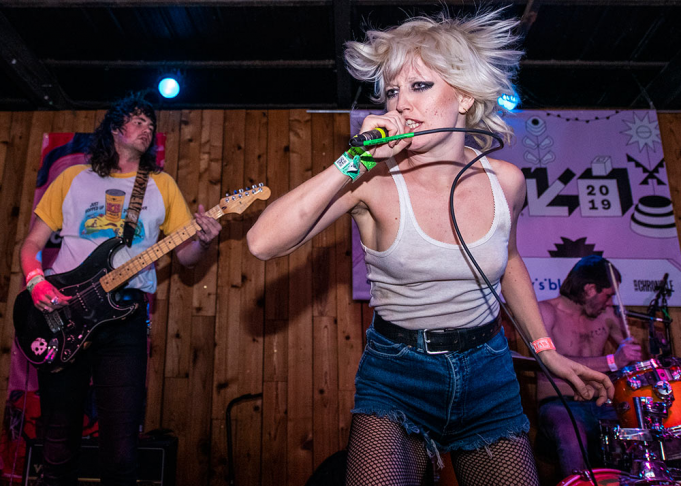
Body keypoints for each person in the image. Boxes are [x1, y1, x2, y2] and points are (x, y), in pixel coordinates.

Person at [247, 9, 613, 486]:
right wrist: (354, 158)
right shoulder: (373, 182)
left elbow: (510, 263)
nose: (402, 105)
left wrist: (545, 351)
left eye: (419, 87)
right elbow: (261, 242)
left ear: (462, 96)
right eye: (393, 91)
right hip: (397, 374)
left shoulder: (506, 182)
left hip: (488, 373)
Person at [19, 93, 221, 486]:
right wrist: (35, 280)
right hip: (63, 313)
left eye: (151, 124)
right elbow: (31, 245)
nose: (147, 128)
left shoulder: (161, 185)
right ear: (115, 129)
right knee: (57, 445)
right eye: (138, 120)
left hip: (124, 319)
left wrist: (205, 240)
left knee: (122, 449)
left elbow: (185, 257)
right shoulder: (72, 179)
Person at [537, 255, 642, 478]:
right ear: (590, 289)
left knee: (636, 430)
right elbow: (548, 364)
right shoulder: (546, 312)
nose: (610, 303)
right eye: (608, 296)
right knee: (572, 433)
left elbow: (632, 360)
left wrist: (631, 350)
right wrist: (612, 361)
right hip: (560, 403)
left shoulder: (605, 316)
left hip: (603, 403)